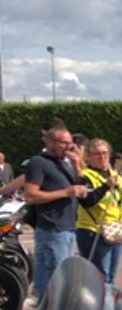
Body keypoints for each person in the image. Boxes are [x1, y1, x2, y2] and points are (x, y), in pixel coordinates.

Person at [25, 125, 87, 297]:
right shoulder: (39, 163)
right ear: (51, 142)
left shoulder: (63, 163)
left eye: (71, 144)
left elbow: (78, 184)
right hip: (52, 227)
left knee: (59, 273)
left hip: (66, 226)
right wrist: (66, 192)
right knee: (56, 275)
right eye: (64, 143)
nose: (69, 147)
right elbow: (30, 195)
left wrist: (76, 166)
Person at [75, 138, 122, 284]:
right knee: (100, 277)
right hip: (93, 231)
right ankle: (102, 306)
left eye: (105, 153)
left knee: (111, 275)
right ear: (88, 156)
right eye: (97, 154)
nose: (102, 157)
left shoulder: (115, 175)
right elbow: (87, 201)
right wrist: (105, 186)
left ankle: (108, 305)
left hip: (115, 229)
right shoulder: (84, 177)